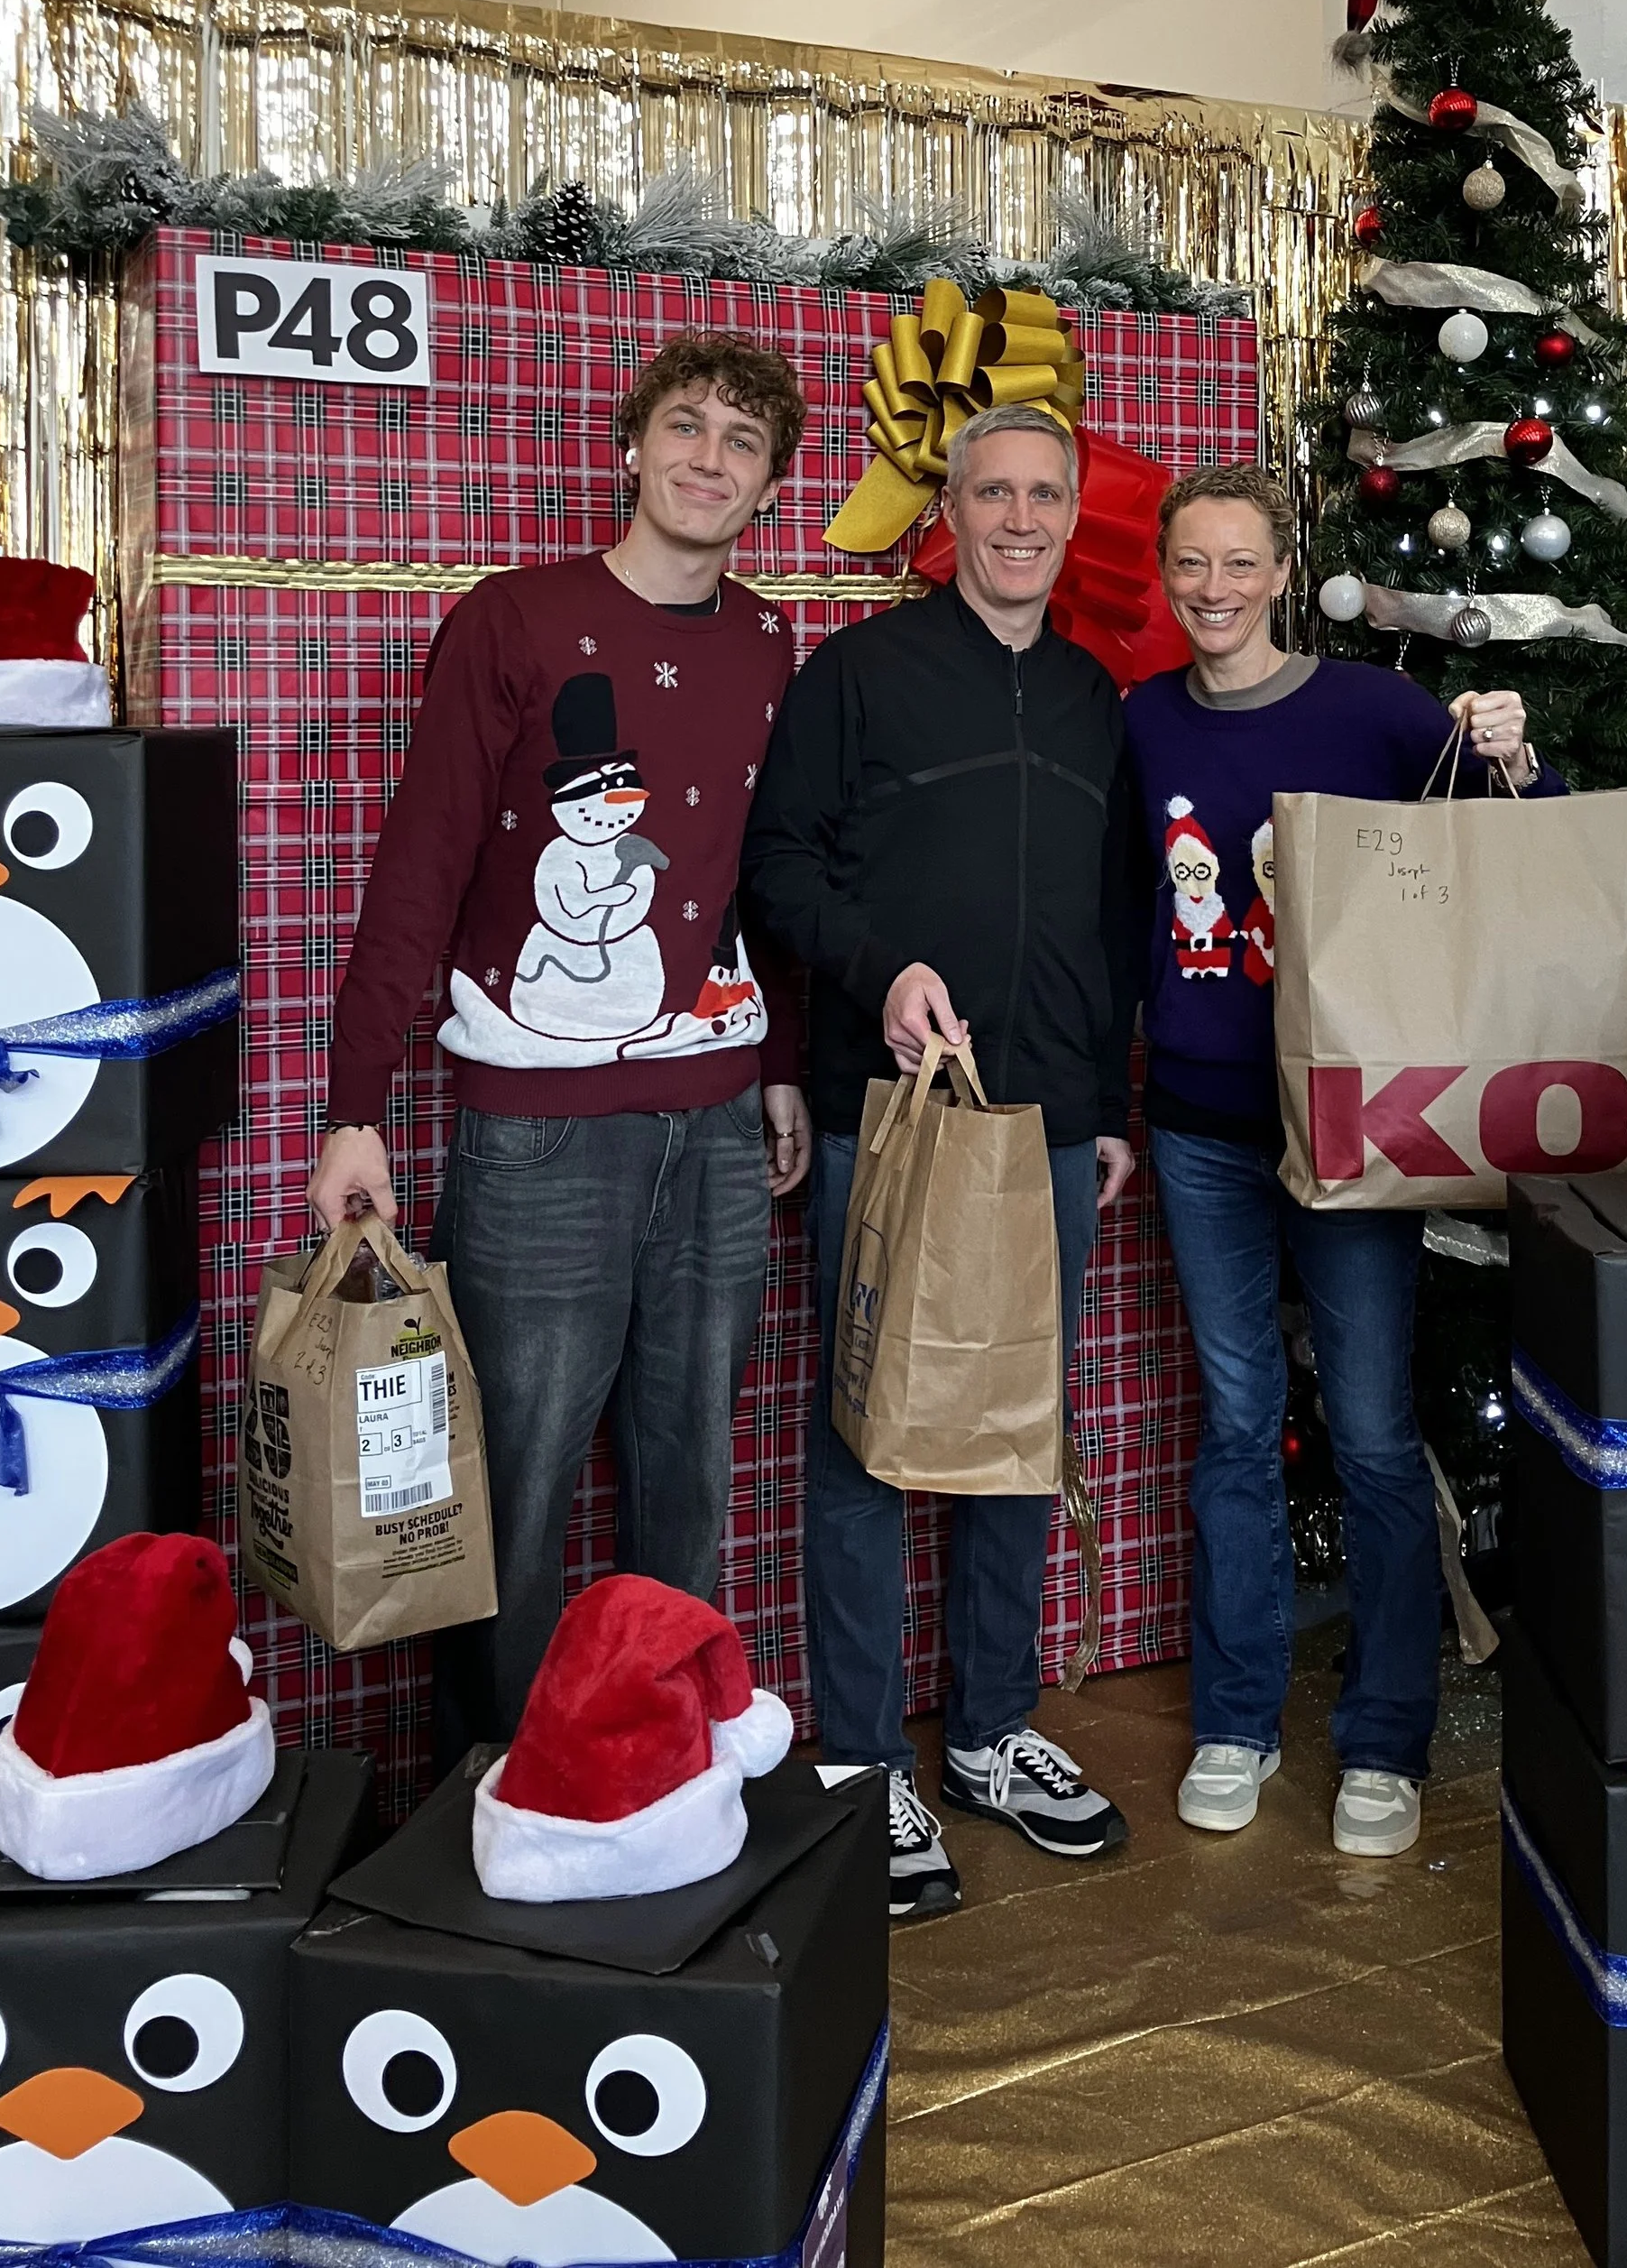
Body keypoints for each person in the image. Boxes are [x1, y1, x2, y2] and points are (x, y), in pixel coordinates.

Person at [310, 332, 815, 1763]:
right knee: (520, 1474)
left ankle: (658, 1766)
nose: (710, 459)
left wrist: (775, 1063)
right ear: (632, 444)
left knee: (689, 1473)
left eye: (742, 442)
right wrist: (355, 1108)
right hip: (537, 1130)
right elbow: (422, 866)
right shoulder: (514, 623)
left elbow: (749, 875)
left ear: (770, 484)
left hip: (716, 1122)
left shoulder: (772, 643)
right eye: (687, 426)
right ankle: (501, 1781)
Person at [1122, 461, 1564, 1858]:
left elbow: (1514, 847)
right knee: (1240, 1429)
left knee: (1374, 1435)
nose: (1213, 590)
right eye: (1190, 564)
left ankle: (1384, 1735)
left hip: (1350, 1127)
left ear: (1280, 569)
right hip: (1197, 1124)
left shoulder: (1369, 710)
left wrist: (1512, 747)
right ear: (1165, 572)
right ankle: (1239, 1718)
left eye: (1240, 563)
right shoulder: (1137, 724)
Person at [743, 403, 1141, 1921]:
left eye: (1047, 493)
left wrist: (1109, 1107)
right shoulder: (858, 674)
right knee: (868, 1428)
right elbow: (776, 862)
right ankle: (860, 1753)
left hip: (1047, 1119)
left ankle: (985, 1728)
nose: (1021, 517)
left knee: (1017, 1427)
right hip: (891, 1108)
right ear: (951, 510)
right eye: (995, 491)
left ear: (1072, 512)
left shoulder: (1107, 699)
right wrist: (881, 966)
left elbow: (1114, 927)